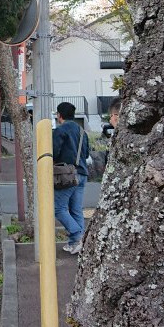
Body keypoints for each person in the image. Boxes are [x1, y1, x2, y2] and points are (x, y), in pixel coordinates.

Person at [53, 101, 91, 254]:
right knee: (76, 209)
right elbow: (87, 154)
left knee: (59, 208)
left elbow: (53, 153)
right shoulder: (82, 132)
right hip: (82, 173)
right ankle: (77, 243)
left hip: (67, 175)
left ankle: (76, 236)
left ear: (59, 115)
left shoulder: (60, 131)